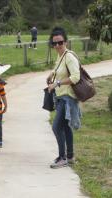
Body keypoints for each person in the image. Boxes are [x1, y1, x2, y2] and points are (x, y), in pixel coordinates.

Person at [46, 27, 81, 169]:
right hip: (61, 96)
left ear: (65, 41)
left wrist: (57, 83)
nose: (57, 46)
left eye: (60, 42)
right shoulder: (60, 56)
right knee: (66, 128)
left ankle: (62, 157)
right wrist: (51, 74)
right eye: (54, 43)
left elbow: (76, 77)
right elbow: (59, 69)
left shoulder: (69, 56)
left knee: (56, 127)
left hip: (67, 97)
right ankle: (70, 156)